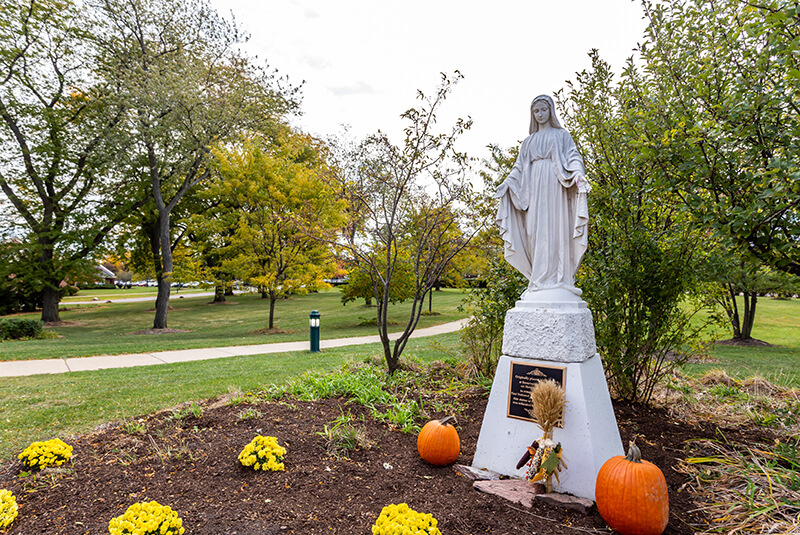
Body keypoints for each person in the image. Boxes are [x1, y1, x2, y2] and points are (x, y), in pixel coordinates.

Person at [495, 94, 590, 299]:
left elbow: (573, 156)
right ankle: (538, 279)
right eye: (536, 111)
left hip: (556, 186)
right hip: (534, 191)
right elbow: (518, 168)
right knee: (534, 232)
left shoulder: (562, 135)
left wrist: (578, 175)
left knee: (556, 229)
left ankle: (559, 279)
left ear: (551, 111)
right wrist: (507, 184)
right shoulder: (528, 142)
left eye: (543, 110)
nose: (539, 114)